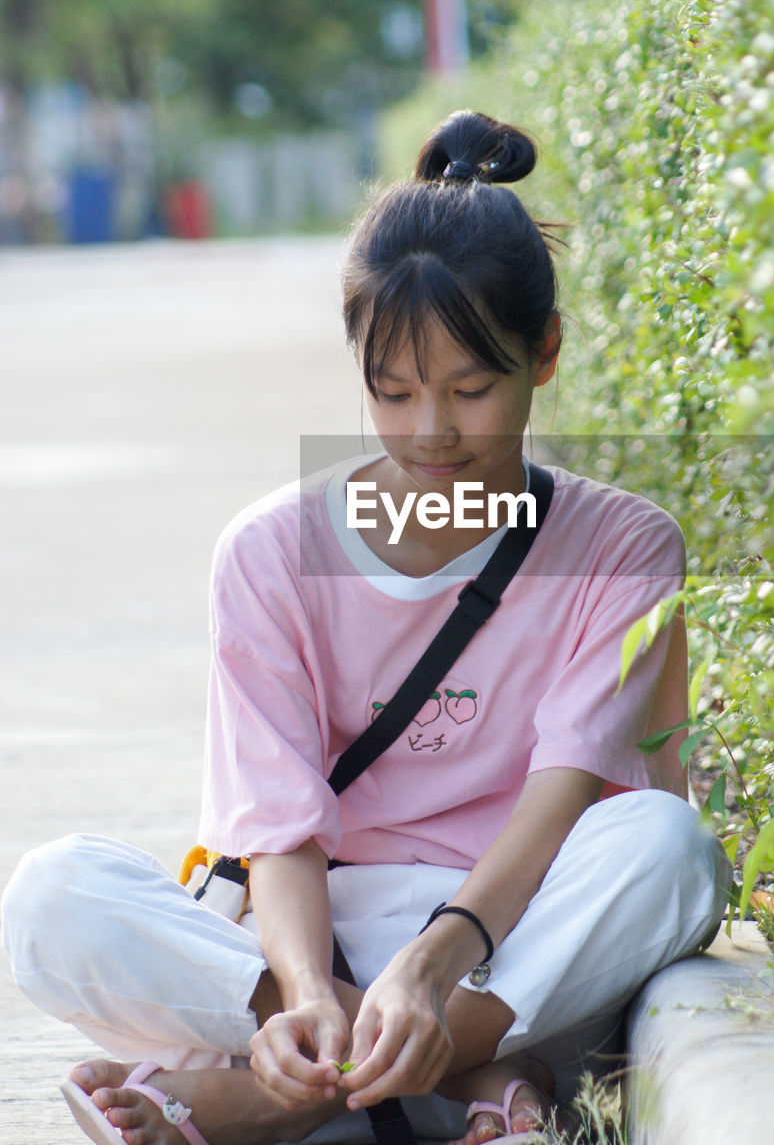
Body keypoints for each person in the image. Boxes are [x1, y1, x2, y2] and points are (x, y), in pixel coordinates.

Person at [2, 111, 732, 1145]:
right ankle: (451, 1076)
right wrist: (303, 990)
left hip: (512, 936)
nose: (430, 431)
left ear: (546, 352)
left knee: (668, 846)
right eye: (392, 392)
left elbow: (565, 796)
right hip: (316, 938)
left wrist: (435, 968)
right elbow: (277, 829)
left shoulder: (621, 543)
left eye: (470, 390)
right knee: (51, 894)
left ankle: (273, 1099)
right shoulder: (266, 550)